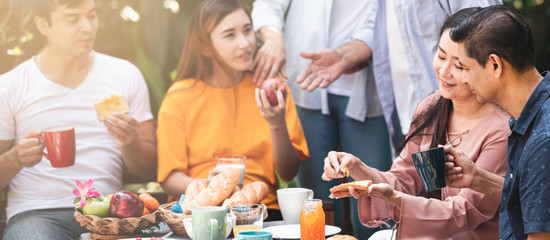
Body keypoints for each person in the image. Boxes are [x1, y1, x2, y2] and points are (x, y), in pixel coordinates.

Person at [321, 8, 511, 239]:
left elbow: (465, 211)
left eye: (459, 66)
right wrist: (358, 169)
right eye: (441, 56)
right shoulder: (432, 106)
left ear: (488, 67)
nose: (444, 71)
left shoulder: (501, 129)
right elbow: (404, 179)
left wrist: (398, 200)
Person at [442, 5, 550, 239]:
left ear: (495, 65)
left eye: (465, 68)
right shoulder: (545, 107)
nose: (464, 78)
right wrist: (477, 177)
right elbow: (534, 197)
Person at [0, 0, 157, 239]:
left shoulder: (125, 75)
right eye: (72, 19)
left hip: (109, 216)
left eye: (91, 15)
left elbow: (149, 169)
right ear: (42, 24)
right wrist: (16, 158)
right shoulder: (10, 86)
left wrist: (129, 143)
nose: (87, 27)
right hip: (38, 214)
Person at [156, 0, 309, 220]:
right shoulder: (179, 98)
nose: (245, 43)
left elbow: (288, 172)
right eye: (230, 35)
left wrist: (276, 124)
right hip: (199, 213)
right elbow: (169, 177)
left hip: (262, 211)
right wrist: (211, 187)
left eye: (248, 30)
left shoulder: (273, 89)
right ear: (204, 46)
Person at [251, 1, 392, 238]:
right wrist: (273, 37)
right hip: (306, 87)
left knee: (375, 202)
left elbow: (384, 16)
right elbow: (268, 5)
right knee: (317, 203)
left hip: (367, 87)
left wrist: (350, 53)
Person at [286, 0, 501, 151]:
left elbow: (484, 31)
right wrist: (344, 56)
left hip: (461, 123)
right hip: (414, 121)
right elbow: (378, 24)